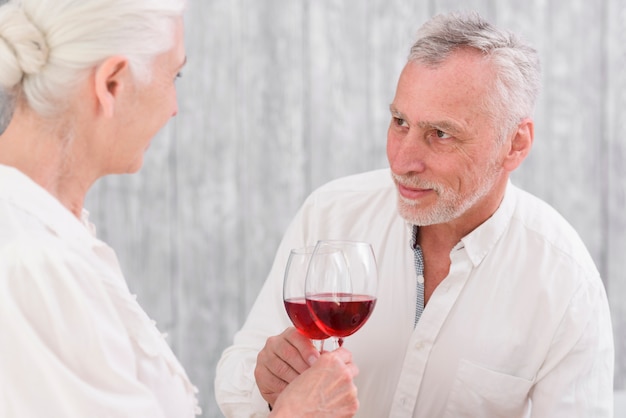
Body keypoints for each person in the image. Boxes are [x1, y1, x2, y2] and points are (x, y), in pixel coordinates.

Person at [215, 10, 615, 418]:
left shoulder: (564, 281)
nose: (403, 161)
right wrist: (263, 384)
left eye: (440, 134)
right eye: (399, 121)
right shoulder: (331, 214)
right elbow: (236, 376)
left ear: (515, 144)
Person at [0, 0, 359, 417]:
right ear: (111, 84)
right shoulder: (33, 264)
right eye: (175, 75)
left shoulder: (52, 233)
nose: (175, 107)